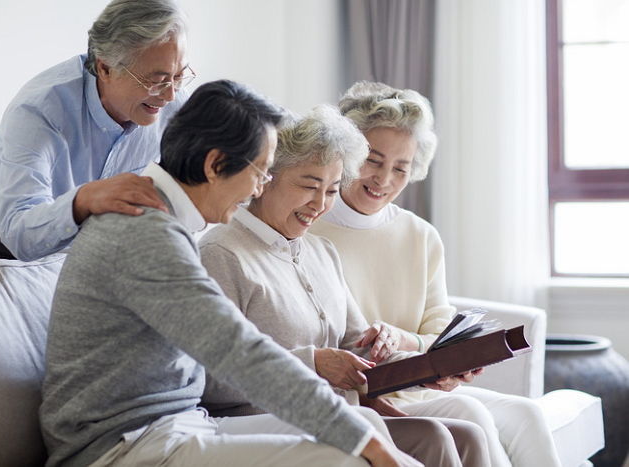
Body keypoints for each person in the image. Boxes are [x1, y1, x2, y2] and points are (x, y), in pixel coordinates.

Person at [40, 80, 421, 467]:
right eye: (261, 171)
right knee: (351, 457)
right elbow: (238, 352)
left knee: (362, 429)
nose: (260, 187)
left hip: (180, 426)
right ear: (215, 165)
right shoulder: (145, 233)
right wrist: (366, 443)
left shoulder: (164, 224)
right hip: (121, 446)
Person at [198, 105, 491, 467]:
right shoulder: (221, 253)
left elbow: (360, 350)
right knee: (425, 437)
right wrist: (314, 363)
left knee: (465, 435)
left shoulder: (321, 252)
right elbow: (207, 379)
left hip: (341, 417)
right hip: (265, 423)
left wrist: (429, 370)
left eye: (333, 190)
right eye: (309, 186)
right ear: (264, 179)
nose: (320, 204)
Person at [310, 81, 562, 467]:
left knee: (527, 415)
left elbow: (439, 331)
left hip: (418, 386)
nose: (384, 180)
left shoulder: (419, 235)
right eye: (373, 161)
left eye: (401, 168)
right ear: (346, 153)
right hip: (364, 392)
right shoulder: (309, 228)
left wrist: (406, 342)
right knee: (472, 415)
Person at [0, 0, 192, 261]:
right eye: (155, 80)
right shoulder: (41, 109)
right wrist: (83, 200)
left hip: (73, 234)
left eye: (178, 76)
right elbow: (19, 234)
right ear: (105, 68)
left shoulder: (176, 105)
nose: (170, 95)